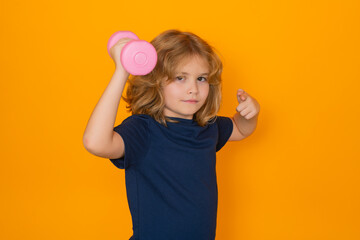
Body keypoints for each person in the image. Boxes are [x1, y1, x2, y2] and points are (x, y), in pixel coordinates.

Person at [83, 29, 260, 240]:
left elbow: (240, 129)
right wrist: (121, 71)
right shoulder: (143, 130)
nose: (193, 89)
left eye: (201, 78)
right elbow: (95, 143)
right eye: (180, 78)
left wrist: (250, 113)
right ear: (155, 81)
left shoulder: (208, 127)